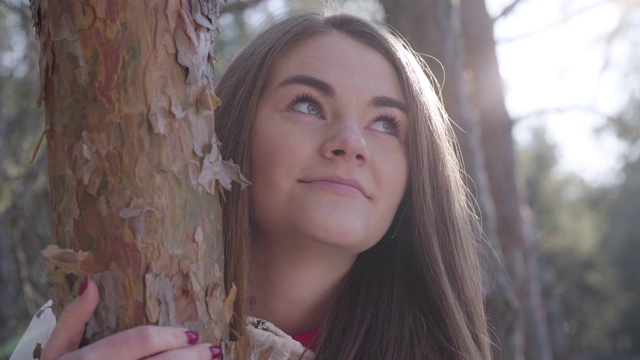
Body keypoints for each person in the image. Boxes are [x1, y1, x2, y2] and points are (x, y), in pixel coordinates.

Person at [33, 10, 491, 360]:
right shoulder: (82, 333)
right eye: (308, 105)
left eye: (388, 124)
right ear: (235, 135)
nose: (351, 144)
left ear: (417, 177)